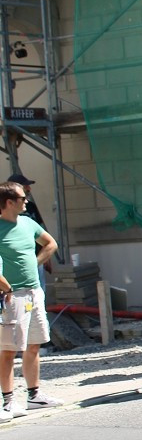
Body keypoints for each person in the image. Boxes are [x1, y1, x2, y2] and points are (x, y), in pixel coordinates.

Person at [0, 181, 61, 422]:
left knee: (34, 343)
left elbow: (51, 243)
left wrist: (33, 264)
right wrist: (4, 286)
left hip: (34, 292)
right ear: (8, 202)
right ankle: (7, 401)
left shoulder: (28, 223)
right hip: (12, 296)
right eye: (22, 198)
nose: (26, 201)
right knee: (8, 349)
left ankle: (34, 395)